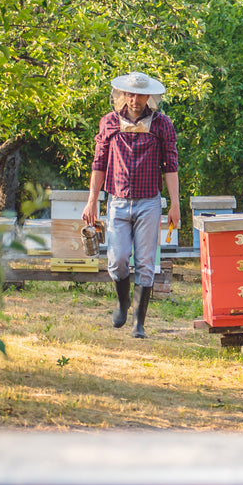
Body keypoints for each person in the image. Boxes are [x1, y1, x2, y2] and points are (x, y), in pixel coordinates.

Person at [83, 72, 180, 339]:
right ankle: (123, 302)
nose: (135, 99)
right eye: (130, 94)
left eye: (139, 94)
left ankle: (139, 322)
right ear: (123, 95)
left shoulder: (162, 124)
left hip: (149, 202)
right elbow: (98, 163)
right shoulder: (110, 123)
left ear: (149, 96)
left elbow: (170, 165)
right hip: (117, 201)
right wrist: (92, 201)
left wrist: (175, 204)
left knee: (146, 263)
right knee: (117, 260)